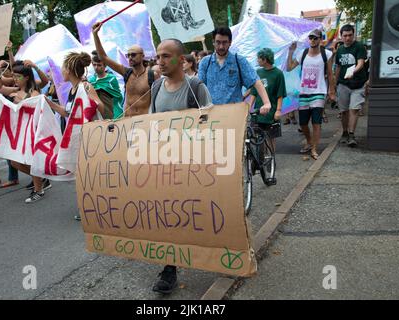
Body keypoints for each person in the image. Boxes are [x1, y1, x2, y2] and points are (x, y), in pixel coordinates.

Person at [149, 38, 213, 295]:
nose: (160, 61)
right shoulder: (154, 88)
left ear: (181, 60)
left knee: (197, 214)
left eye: (166, 56)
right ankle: (169, 269)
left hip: (191, 166)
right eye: (158, 56)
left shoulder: (195, 86)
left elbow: (211, 122)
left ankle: (220, 251)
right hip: (164, 166)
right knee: (168, 216)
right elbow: (151, 125)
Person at [44, 52, 105, 219]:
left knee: (88, 175)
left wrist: (92, 104)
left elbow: (101, 108)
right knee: (82, 175)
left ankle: (94, 207)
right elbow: (68, 113)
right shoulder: (72, 90)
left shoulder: (85, 87)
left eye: (63, 68)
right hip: (77, 139)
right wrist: (49, 103)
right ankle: (89, 206)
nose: (61, 71)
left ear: (69, 69)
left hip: (89, 139)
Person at [1, 62, 52, 202]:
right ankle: (41, 178)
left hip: (31, 132)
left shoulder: (33, 92)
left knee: (31, 160)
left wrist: (19, 101)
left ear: (26, 77)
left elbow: (34, 109)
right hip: (19, 132)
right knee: (15, 162)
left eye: (18, 76)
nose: (15, 79)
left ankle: (38, 190)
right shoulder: (15, 90)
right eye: (14, 76)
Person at [92, 22, 159, 117]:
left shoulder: (152, 75)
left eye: (133, 55)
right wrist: (95, 35)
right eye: (128, 55)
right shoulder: (126, 72)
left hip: (145, 121)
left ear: (142, 56)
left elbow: (158, 101)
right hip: (127, 121)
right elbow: (103, 57)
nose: (130, 57)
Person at [287, 29, 335, 160]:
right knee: (303, 123)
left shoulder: (327, 54)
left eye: (315, 38)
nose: (313, 40)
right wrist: (291, 51)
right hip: (304, 92)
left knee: (316, 122)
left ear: (320, 39)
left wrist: (332, 91)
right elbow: (289, 67)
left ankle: (314, 149)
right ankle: (309, 142)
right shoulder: (302, 54)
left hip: (319, 92)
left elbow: (330, 74)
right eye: (311, 38)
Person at [198, 27, 271, 111]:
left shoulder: (239, 61)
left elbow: (256, 81)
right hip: (211, 115)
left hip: (234, 114)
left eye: (224, 42)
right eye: (218, 42)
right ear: (213, 42)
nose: (221, 46)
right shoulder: (205, 62)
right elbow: (199, 87)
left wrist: (267, 103)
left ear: (230, 42)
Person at [249, 48, 286, 159]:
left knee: (271, 137)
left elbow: (280, 93)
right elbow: (254, 92)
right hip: (258, 111)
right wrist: (249, 106)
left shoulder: (278, 74)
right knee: (257, 135)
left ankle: (271, 157)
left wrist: (278, 110)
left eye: (259, 58)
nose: (257, 60)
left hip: (271, 111)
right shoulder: (258, 72)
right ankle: (261, 157)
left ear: (265, 59)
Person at [335, 24, 368, 147]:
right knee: (344, 111)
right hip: (343, 85)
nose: (348, 38)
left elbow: (360, 63)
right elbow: (338, 67)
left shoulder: (359, 47)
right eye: (345, 36)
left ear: (353, 35)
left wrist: (353, 71)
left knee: (354, 109)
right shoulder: (340, 50)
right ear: (341, 36)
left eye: (350, 35)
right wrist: (335, 83)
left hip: (358, 84)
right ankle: (344, 133)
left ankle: (352, 135)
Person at [89, 51, 123, 120]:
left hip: (113, 113)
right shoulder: (91, 80)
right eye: (94, 65)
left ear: (105, 66)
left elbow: (118, 97)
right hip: (99, 116)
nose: (96, 67)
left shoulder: (111, 79)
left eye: (99, 65)